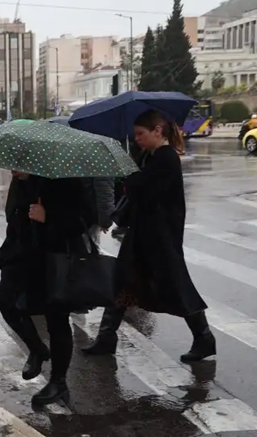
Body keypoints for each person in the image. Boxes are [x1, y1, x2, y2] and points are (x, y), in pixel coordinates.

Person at [82, 110, 215, 362]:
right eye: (135, 135)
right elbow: (135, 191)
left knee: (177, 287)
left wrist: (128, 172)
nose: (138, 139)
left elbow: (143, 190)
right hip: (143, 234)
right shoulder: (150, 155)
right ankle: (106, 337)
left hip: (161, 238)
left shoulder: (166, 158)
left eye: (141, 134)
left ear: (158, 131)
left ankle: (204, 337)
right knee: (122, 282)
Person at [0, 171, 95, 405]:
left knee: (57, 320)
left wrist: (48, 217)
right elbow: (14, 215)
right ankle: (37, 349)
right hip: (21, 254)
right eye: (13, 163)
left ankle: (58, 382)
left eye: (20, 163)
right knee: (6, 303)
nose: (14, 169)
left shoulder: (66, 178)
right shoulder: (19, 181)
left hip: (55, 257)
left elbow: (86, 218)